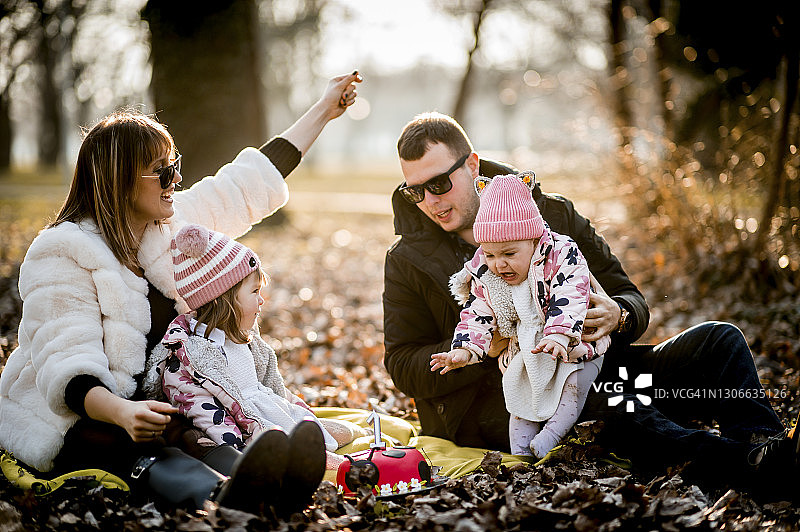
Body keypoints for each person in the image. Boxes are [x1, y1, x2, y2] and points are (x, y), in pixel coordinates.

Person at [0, 71, 362, 513]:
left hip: (156, 403)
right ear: (120, 179)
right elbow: (67, 366)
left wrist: (324, 110)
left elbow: (246, 185)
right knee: (137, 447)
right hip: (80, 414)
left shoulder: (167, 228)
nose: (175, 179)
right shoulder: (62, 253)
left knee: (196, 431)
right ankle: (222, 496)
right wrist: (122, 411)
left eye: (176, 167)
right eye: (163, 171)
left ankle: (273, 478)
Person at [382, 111, 799, 493]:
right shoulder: (407, 261)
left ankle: (769, 447)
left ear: (472, 165)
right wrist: (476, 350)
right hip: (500, 401)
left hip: (589, 364)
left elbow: (631, 297)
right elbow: (402, 364)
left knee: (718, 341)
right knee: (615, 399)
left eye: (438, 184)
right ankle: (746, 466)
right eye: (415, 191)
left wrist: (619, 315)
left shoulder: (554, 216)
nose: (430, 202)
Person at [144, 224, 357, 471]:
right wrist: (237, 448)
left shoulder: (245, 340)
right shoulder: (190, 359)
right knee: (309, 453)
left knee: (340, 433)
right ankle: (324, 462)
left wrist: (299, 410)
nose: (262, 299)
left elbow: (272, 387)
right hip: (251, 433)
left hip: (270, 412)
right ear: (223, 299)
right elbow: (207, 416)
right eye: (254, 291)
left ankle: (315, 441)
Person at [430, 173, 608, 459]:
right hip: (526, 352)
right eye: (489, 255)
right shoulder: (489, 275)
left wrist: (559, 334)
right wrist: (464, 350)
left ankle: (551, 434)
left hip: (575, 345)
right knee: (519, 396)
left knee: (575, 386)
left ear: (534, 241)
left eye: (509, 254)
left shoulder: (561, 254)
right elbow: (477, 311)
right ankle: (521, 455)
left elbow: (572, 292)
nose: (499, 264)